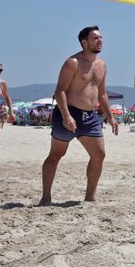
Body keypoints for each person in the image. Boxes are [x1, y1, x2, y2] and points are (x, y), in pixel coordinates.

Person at [40, 26, 120, 206]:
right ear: (84, 43)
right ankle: (46, 197)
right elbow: (59, 90)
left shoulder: (102, 65)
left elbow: (102, 94)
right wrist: (67, 115)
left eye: (101, 38)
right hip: (69, 112)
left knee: (99, 155)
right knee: (56, 155)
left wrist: (110, 116)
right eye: (95, 38)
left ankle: (90, 196)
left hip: (90, 117)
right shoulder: (73, 62)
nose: (100, 41)